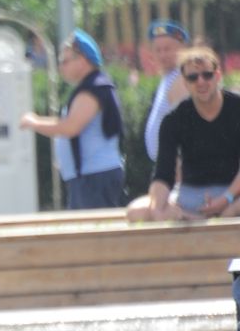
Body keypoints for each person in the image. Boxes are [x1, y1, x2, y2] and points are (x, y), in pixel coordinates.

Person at [128, 47, 240, 222]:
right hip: (189, 197)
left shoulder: (236, 108)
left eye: (207, 75)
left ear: (218, 76)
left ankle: (216, 218)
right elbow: (163, 175)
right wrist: (158, 207)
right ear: (185, 83)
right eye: (193, 77)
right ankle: (195, 219)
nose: (201, 82)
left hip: (233, 194)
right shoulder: (174, 119)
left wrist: (227, 200)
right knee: (136, 211)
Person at [19, 30, 125, 210]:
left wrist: (34, 123)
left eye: (65, 61)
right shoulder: (91, 86)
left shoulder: (92, 89)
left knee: (93, 237)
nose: (61, 67)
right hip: (89, 178)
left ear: (83, 60)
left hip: (95, 178)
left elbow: (70, 127)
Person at [141, 21, 192, 165]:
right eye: (158, 50)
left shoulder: (181, 79)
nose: (162, 55)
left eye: (167, 49)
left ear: (182, 49)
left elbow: (186, 129)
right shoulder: (169, 78)